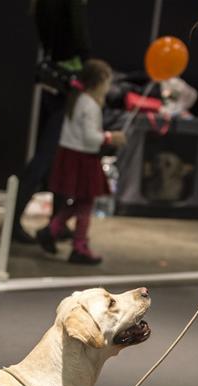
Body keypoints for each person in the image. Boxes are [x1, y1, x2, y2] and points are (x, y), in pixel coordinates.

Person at [10, 0, 93, 244]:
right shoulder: (70, 5)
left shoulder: (42, 5)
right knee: (47, 156)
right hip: (70, 83)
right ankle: (12, 223)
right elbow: (80, 42)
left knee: (57, 155)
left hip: (54, 83)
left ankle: (56, 223)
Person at [35, 59, 124, 264]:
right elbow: (90, 137)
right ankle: (79, 245)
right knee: (85, 203)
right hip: (83, 158)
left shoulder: (77, 100)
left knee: (82, 202)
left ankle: (53, 230)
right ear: (100, 82)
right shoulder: (90, 105)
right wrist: (111, 137)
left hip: (71, 155)